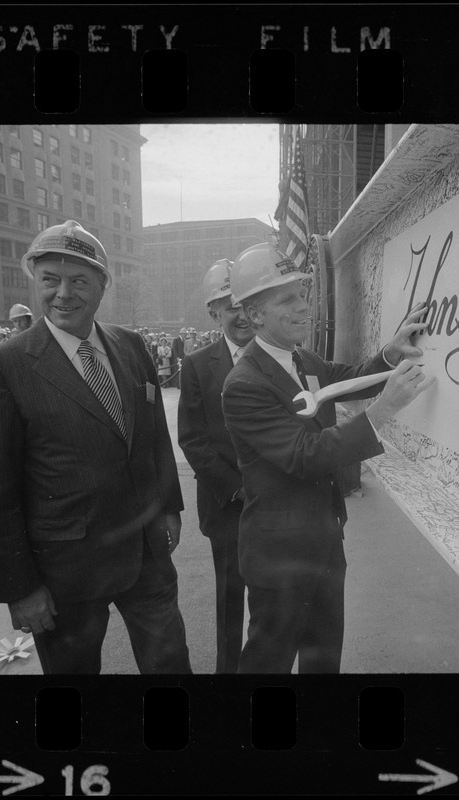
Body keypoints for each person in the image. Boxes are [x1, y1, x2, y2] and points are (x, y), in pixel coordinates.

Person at [0, 220, 192, 675]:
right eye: (50, 279)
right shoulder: (0, 367)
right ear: (36, 283)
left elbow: (153, 436)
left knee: (172, 668)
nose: (63, 293)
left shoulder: (131, 345)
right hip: (64, 573)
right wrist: (20, 587)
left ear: (102, 286)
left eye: (79, 280)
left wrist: (169, 505)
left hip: (145, 554)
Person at [221, 243, 433, 674]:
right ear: (255, 315)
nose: (304, 306)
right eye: (287, 299)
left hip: (324, 544)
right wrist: (383, 411)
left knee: (323, 663)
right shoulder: (243, 384)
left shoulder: (302, 360)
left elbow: (349, 381)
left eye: (303, 293)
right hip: (279, 559)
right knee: (268, 665)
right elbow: (304, 456)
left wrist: (391, 354)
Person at [177, 259, 252, 673]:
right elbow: (192, 439)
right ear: (214, 313)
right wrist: (238, 487)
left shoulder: (283, 358)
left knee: (275, 599)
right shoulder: (196, 364)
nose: (239, 313)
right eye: (228, 305)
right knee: (230, 596)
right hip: (228, 506)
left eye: (245, 302)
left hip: (277, 505)